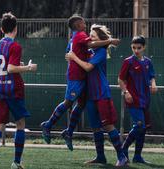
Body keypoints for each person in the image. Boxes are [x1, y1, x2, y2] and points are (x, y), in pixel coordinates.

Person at [40, 15, 120, 151]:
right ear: (78, 25)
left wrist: (72, 55)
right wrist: (110, 41)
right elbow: (89, 45)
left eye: (93, 34)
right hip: (76, 76)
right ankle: (48, 124)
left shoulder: (76, 39)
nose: (85, 25)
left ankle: (69, 133)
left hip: (84, 79)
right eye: (83, 23)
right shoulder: (80, 35)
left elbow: (69, 52)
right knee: (68, 102)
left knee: (81, 104)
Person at [66, 24, 128, 166]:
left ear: (100, 39)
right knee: (95, 127)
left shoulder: (100, 51)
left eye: (93, 36)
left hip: (101, 93)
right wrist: (70, 57)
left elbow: (87, 67)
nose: (90, 38)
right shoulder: (89, 51)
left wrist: (74, 57)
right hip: (90, 95)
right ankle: (101, 157)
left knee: (108, 126)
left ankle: (122, 157)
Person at [0, 12, 37, 169]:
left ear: (2, 29)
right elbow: (11, 68)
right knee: (20, 124)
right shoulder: (15, 46)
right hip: (13, 89)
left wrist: (14, 65)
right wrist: (28, 67)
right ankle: (16, 162)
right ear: (15, 28)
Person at [118, 35, 157, 163]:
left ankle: (137, 156)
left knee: (143, 128)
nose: (136, 50)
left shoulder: (148, 62)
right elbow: (120, 79)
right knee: (139, 125)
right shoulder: (128, 61)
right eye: (133, 47)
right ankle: (123, 149)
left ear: (144, 47)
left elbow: (152, 75)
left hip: (145, 98)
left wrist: (153, 83)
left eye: (139, 48)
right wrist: (126, 92)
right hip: (133, 99)